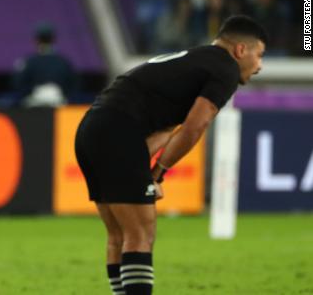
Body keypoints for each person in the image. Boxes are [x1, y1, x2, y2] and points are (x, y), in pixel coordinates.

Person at [75, 15, 266, 294]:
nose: (260, 65)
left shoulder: (194, 61)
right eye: (259, 55)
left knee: (119, 235)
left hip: (91, 129)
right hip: (118, 130)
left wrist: (145, 171)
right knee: (141, 234)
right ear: (240, 50)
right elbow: (194, 127)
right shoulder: (225, 68)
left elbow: (165, 131)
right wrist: (157, 174)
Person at [13, 22, 77, 106]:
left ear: (37, 40)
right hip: (58, 104)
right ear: (53, 39)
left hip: (35, 107)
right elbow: (73, 85)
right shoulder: (64, 62)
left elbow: (18, 84)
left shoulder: (29, 62)